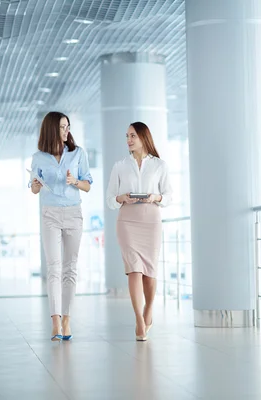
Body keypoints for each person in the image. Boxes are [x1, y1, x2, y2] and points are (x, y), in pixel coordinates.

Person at [105, 122, 172, 341]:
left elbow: (169, 195)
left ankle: (149, 310)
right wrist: (120, 198)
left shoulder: (159, 165)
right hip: (127, 221)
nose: (129, 140)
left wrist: (156, 197)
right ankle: (139, 320)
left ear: (143, 137)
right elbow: (109, 199)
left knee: (149, 273)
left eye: (132, 135)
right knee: (134, 269)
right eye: (127, 136)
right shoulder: (120, 166)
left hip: (151, 221)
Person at [29, 111, 93, 341]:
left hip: (74, 213)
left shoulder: (78, 153)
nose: (67, 131)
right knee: (54, 267)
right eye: (62, 127)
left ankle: (67, 319)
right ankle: (55, 319)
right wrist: (36, 184)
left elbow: (87, 185)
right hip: (50, 214)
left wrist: (74, 181)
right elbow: (34, 189)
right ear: (51, 129)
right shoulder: (39, 157)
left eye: (68, 126)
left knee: (70, 268)